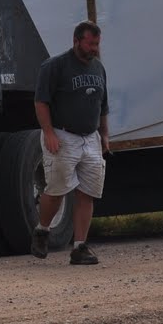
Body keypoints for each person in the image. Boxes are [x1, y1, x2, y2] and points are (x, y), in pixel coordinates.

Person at [32, 20, 110, 265]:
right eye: (90, 44)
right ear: (76, 41)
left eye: (96, 44)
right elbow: (41, 102)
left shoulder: (98, 68)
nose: (94, 49)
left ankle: (80, 247)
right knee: (57, 190)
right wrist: (49, 133)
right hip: (63, 135)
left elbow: (103, 106)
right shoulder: (55, 66)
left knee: (87, 191)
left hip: (90, 137)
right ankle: (42, 230)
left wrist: (105, 134)